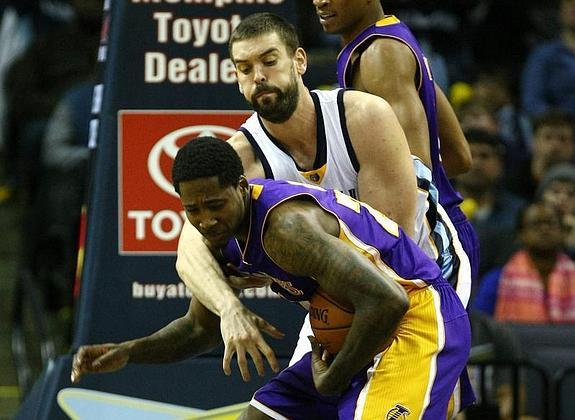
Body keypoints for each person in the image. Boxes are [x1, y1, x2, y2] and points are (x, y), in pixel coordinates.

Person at [72, 136, 471, 419]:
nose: (205, 220)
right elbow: (200, 329)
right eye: (193, 210)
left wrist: (332, 380)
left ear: (242, 187)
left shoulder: (285, 230)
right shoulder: (220, 235)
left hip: (416, 318)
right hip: (358, 327)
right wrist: (129, 352)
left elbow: (388, 300)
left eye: (214, 204)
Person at [174, 12, 427, 382]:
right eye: (244, 68)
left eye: (269, 61)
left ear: (300, 61)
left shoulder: (363, 116)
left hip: (420, 280)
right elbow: (188, 252)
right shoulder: (241, 157)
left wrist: (279, 260)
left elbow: (386, 248)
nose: (257, 76)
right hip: (339, 301)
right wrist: (230, 309)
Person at [312, 0, 479, 295]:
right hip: (441, 229)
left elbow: (416, 180)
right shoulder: (390, 42)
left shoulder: (380, 56)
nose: (319, 1)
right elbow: (459, 156)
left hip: (423, 240)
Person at [473, 201, 575, 323]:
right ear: (521, 234)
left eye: (551, 224)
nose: (544, 229)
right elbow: (480, 326)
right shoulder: (497, 279)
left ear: (563, 232)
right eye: (536, 224)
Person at [455, 129, 526, 280]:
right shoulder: (436, 207)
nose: (477, 163)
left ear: (500, 165)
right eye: (470, 155)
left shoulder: (519, 212)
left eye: (485, 156)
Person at [520, 0, 575, 117]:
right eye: (569, 3)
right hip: (559, 126)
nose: (573, 7)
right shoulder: (544, 54)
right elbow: (532, 101)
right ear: (561, 11)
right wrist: (561, 121)